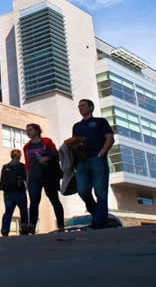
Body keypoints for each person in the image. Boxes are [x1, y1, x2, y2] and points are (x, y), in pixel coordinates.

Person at [71, 99, 114, 229]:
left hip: (97, 160)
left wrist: (101, 154)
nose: (80, 108)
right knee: (82, 190)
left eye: (83, 106)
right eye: (79, 106)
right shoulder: (77, 126)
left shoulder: (100, 122)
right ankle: (97, 214)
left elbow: (110, 138)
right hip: (82, 162)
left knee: (100, 191)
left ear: (91, 107)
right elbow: (74, 143)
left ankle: (100, 222)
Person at [23, 123, 64, 233]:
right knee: (34, 201)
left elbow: (57, 155)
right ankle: (32, 225)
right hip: (34, 177)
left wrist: (46, 158)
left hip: (48, 175)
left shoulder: (46, 141)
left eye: (30, 130)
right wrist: (27, 179)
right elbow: (27, 164)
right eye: (27, 130)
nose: (28, 132)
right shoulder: (26, 146)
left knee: (54, 199)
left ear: (37, 131)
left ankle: (60, 225)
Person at [0, 149, 29, 236]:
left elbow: (2, 180)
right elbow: (26, 179)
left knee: (8, 212)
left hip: (8, 193)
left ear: (11, 156)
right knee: (23, 211)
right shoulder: (22, 166)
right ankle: (24, 230)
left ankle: (4, 230)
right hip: (20, 192)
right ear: (20, 156)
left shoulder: (5, 166)